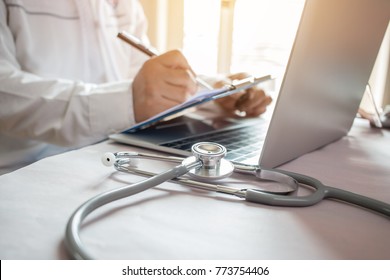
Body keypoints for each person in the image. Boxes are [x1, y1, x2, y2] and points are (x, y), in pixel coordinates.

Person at [0, 0, 272, 174]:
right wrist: (127, 102)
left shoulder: (123, 4)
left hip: (112, 158)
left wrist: (217, 91)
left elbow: (140, 79)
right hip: (26, 172)